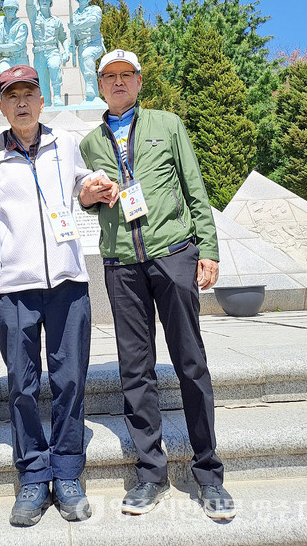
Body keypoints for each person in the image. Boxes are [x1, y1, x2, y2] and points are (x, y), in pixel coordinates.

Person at [79, 49, 235, 521]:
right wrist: (89, 199)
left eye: (128, 75)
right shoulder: (89, 143)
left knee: (191, 362)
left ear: (140, 82)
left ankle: (209, 473)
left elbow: (194, 186)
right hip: (122, 264)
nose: (120, 82)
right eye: (111, 76)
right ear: (99, 85)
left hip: (173, 255)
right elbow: (86, 199)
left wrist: (207, 248)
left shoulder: (167, 125)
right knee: (136, 370)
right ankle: (151, 474)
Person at [0, 64, 118, 527]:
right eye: (11, 95)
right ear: (2, 105)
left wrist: (91, 187)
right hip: (15, 287)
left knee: (70, 379)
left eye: (28, 94)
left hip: (67, 282)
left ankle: (69, 472)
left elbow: (80, 187)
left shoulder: (64, 145)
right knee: (21, 383)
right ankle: (34, 476)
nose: (21, 102)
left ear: (41, 100)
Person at [21, 0, 69, 106]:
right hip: (39, 52)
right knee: (42, 79)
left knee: (54, 67)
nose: (44, 2)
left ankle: (58, 97)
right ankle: (46, 102)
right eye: (42, 0)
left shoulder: (56, 21)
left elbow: (63, 37)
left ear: (50, 4)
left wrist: (66, 50)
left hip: (52, 50)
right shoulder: (34, 17)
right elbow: (29, 4)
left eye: (46, 0)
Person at [68, 0, 105, 102]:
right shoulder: (74, 15)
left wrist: (77, 26)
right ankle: (93, 97)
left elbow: (93, 20)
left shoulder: (95, 9)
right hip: (82, 45)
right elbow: (74, 34)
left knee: (87, 56)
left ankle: (90, 89)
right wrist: (72, 44)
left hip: (94, 43)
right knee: (85, 71)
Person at [0, 0, 30, 86]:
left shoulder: (22, 25)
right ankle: (2, 99)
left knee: (24, 82)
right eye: (7, 8)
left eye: (12, 8)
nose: (9, 10)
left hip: (20, 58)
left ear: (16, 10)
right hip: (6, 58)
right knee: (3, 76)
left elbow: (17, 45)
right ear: (4, 9)